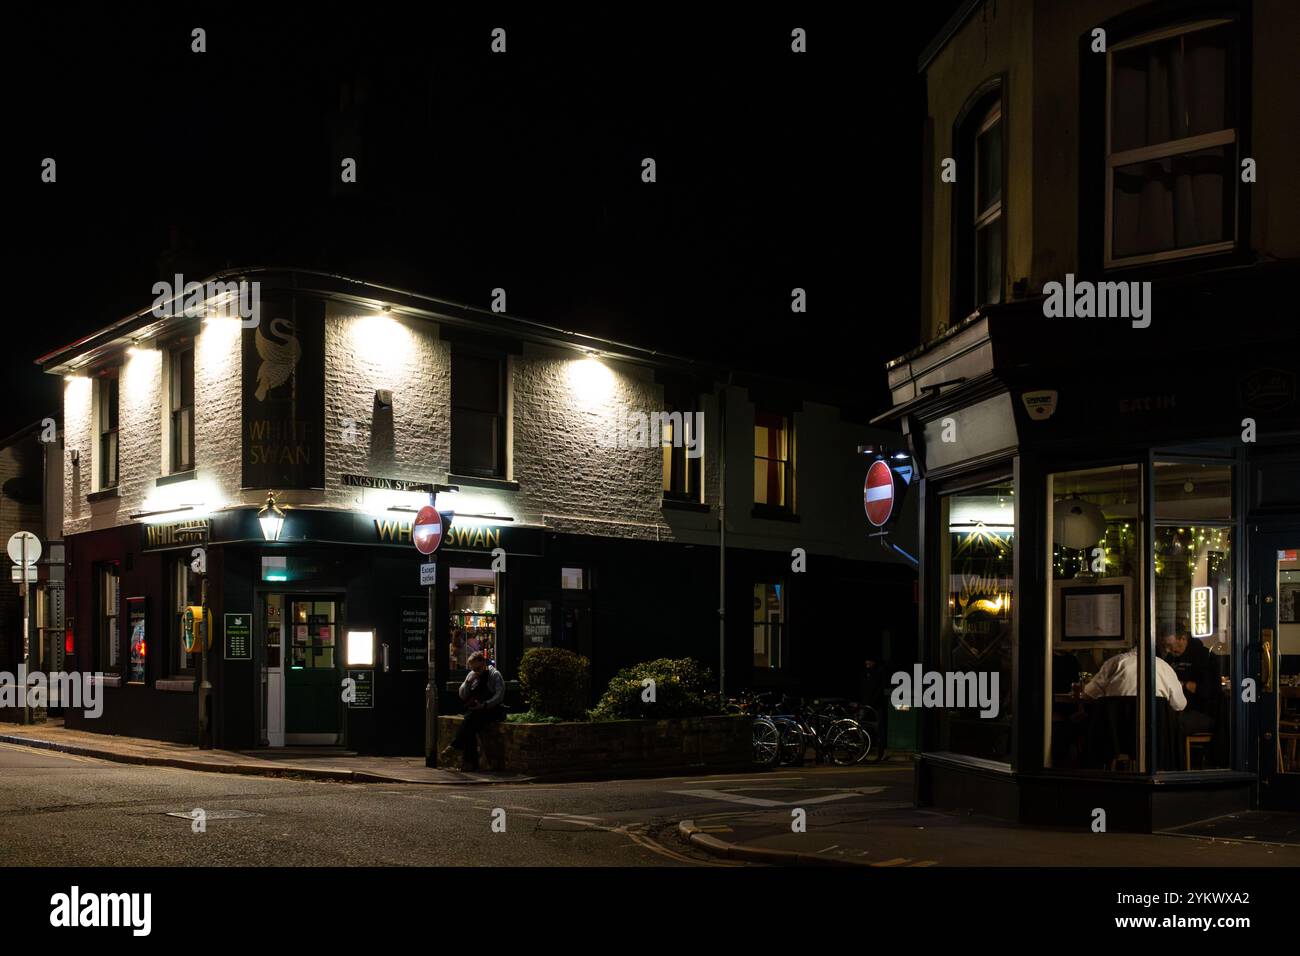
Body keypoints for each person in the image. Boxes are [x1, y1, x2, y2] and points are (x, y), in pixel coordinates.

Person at [446, 651, 505, 772]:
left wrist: (484, 705)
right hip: (476, 711)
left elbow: (499, 696)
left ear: (483, 662)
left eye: (478, 668)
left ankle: (456, 748)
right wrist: (468, 682)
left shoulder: (495, 675)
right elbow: (462, 695)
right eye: (473, 669)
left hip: (491, 710)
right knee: (470, 729)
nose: (476, 671)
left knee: (470, 721)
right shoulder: (472, 674)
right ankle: (471, 764)